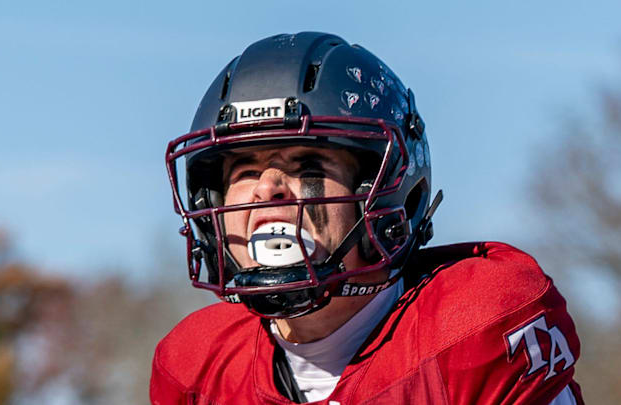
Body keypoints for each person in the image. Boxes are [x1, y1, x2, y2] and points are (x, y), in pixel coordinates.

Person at [151, 32, 584, 404]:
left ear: (386, 197)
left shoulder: (471, 331)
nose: (268, 189)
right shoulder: (196, 369)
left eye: (308, 166)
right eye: (245, 170)